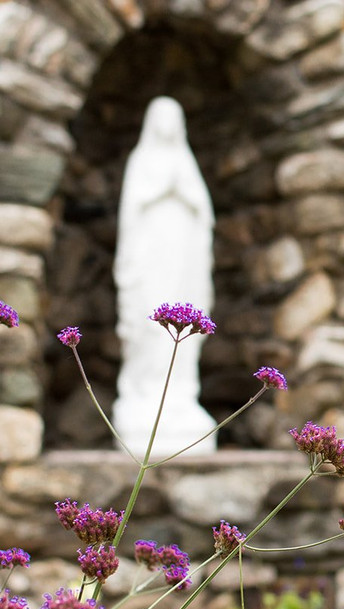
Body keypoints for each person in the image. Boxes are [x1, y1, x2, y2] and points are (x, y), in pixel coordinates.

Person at [112, 96, 217, 457]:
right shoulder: (141, 161)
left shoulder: (184, 163)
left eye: (174, 118)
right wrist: (162, 191)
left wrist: (183, 193)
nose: (167, 126)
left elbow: (205, 214)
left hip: (182, 260)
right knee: (150, 323)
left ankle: (179, 398)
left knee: (183, 329)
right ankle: (143, 396)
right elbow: (131, 212)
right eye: (162, 118)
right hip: (150, 259)